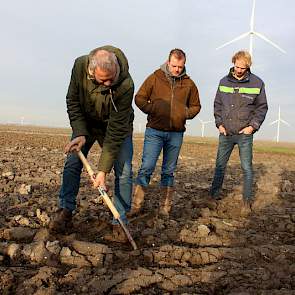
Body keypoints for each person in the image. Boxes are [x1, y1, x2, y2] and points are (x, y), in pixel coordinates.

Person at [49, 45, 134, 242]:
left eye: (112, 78)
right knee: (72, 164)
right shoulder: (80, 66)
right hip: (86, 124)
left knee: (125, 170)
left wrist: (103, 170)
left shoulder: (126, 85)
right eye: (103, 79)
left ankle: (119, 218)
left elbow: (115, 132)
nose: (108, 83)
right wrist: (79, 132)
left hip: (115, 126)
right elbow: (73, 101)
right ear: (91, 70)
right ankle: (65, 210)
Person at [128, 48, 201, 217]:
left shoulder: (189, 84)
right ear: (168, 62)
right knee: (146, 167)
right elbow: (139, 98)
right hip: (154, 131)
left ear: (184, 65)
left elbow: (196, 106)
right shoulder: (155, 77)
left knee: (168, 171)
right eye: (174, 65)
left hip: (176, 134)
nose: (177, 69)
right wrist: (152, 109)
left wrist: (184, 113)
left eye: (180, 67)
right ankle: (137, 205)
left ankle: (164, 209)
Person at [210, 50, 268, 208]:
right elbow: (217, 105)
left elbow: (261, 108)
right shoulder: (223, 82)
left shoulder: (257, 83)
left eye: (242, 68)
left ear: (248, 67)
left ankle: (246, 201)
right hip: (226, 132)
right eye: (236, 66)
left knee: (247, 168)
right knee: (220, 166)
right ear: (233, 63)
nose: (238, 70)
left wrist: (252, 127)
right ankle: (213, 196)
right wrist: (219, 124)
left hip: (244, 134)